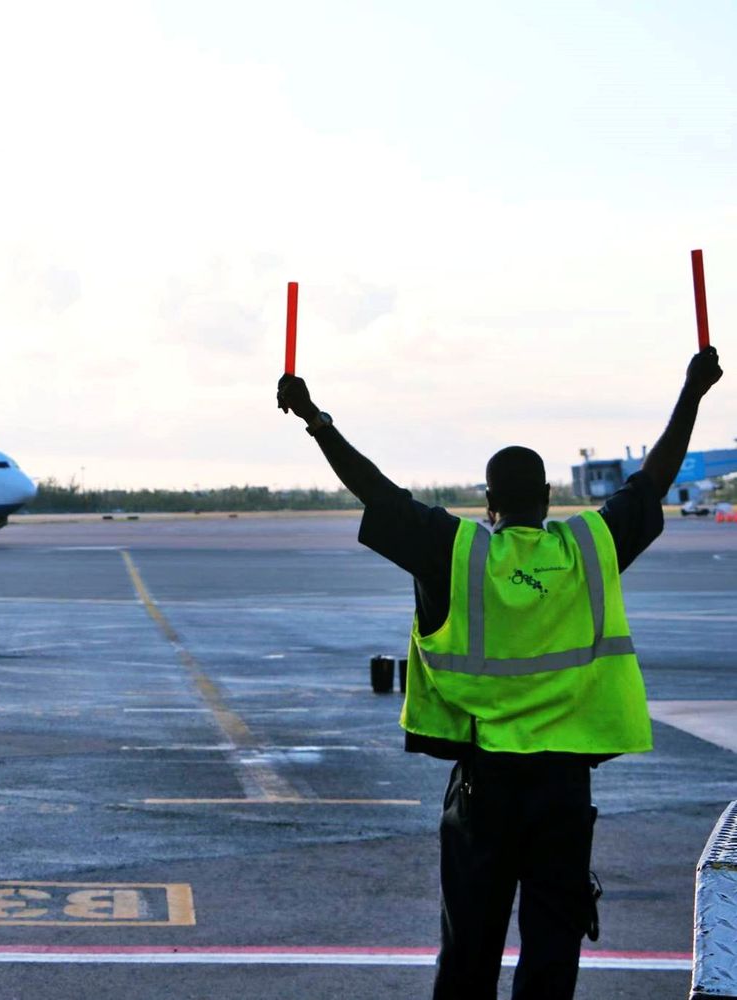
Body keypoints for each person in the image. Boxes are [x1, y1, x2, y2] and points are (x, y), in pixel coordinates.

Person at [276, 345, 724, 1000]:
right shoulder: (590, 548)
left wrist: (316, 419)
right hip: (562, 790)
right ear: (548, 498)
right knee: (551, 954)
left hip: (485, 789)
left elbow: (376, 490)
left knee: (468, 955)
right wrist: (692, 393)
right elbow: (651, 483)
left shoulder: (454, 551)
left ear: (488, 503)